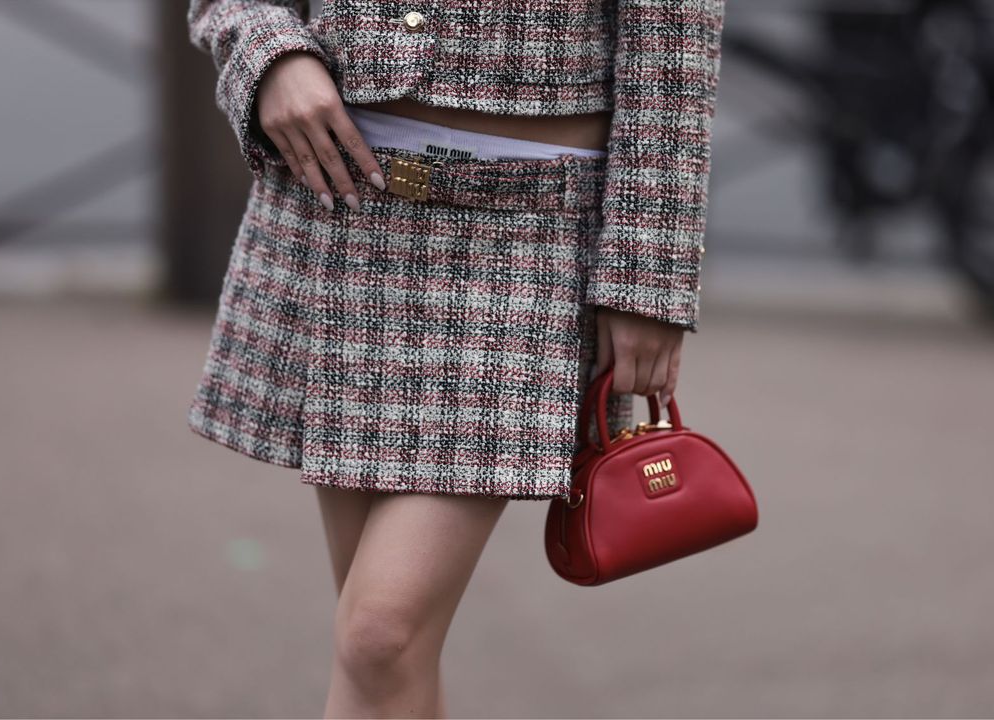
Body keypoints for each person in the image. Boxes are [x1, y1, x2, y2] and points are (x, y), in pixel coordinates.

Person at [184, 0, 726, 716]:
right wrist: (271, 54)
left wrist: (648, 278)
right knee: (392, 657)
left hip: (531, 240)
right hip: (343, 211)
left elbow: (674, 56)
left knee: (380, 636)